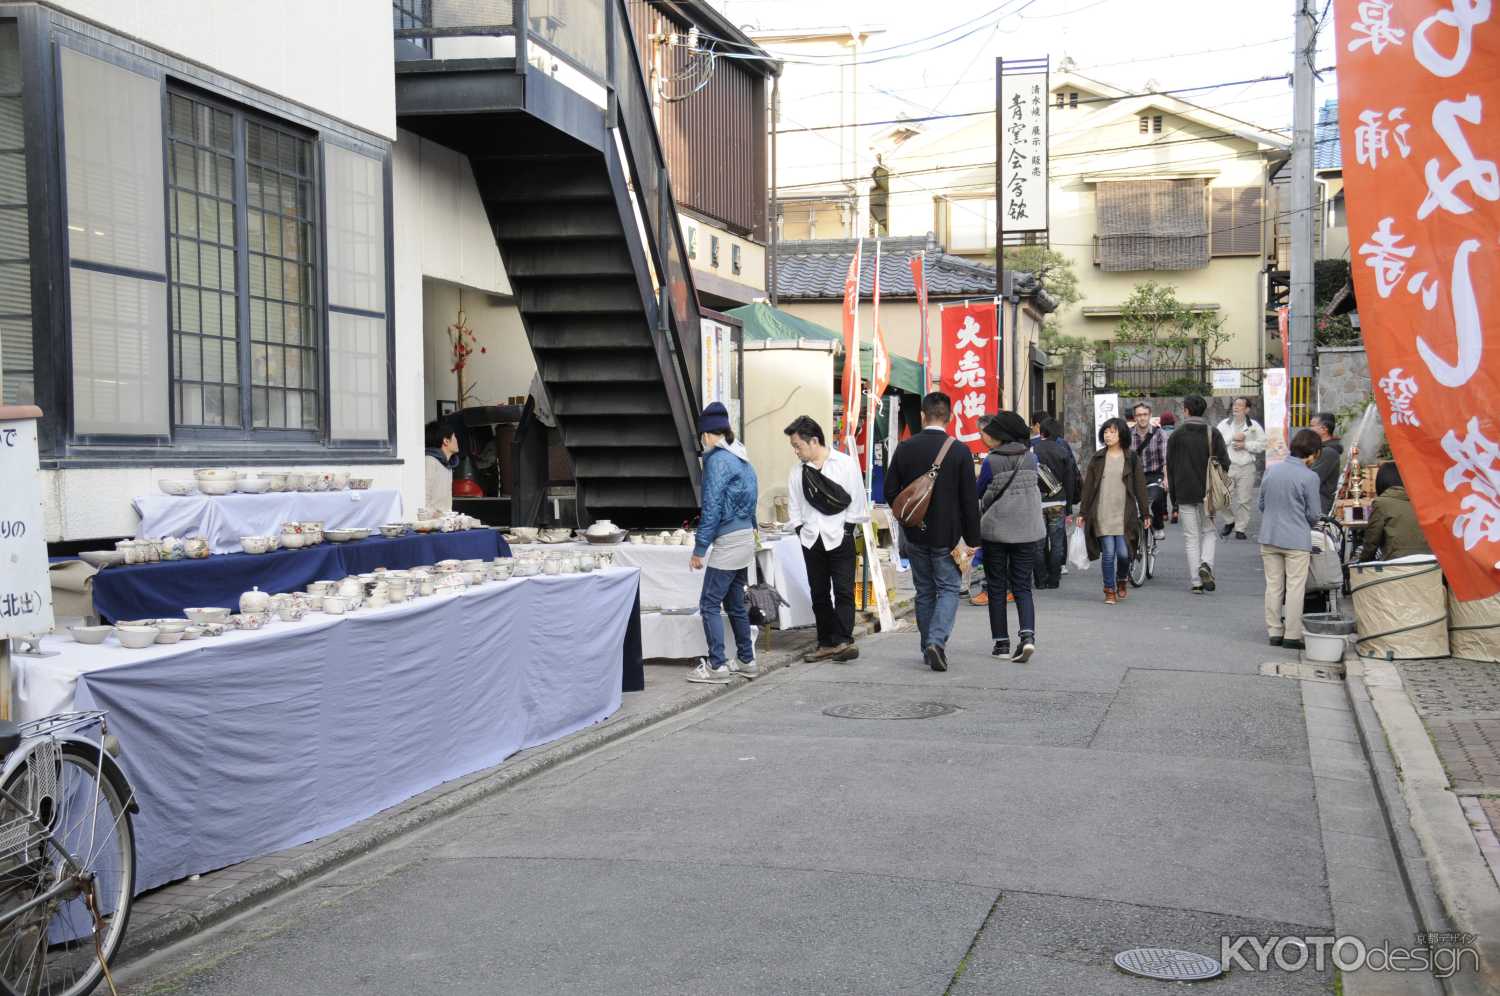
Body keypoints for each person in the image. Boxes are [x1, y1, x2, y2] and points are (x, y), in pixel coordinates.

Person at [884, 392, 982, 672]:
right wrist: (973, 540)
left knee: (925, 591)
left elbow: (890, 491)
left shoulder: (905, 448)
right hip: (947, 536)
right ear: (949, 417)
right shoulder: (960, 451)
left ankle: (928, 646)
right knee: (949, 588)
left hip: (915, 534)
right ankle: (936, 642)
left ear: (922, 416)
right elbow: (969, 501)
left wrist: (909, 517)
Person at [784, 415, 868, 662]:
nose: (796, 451)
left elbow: (857, 500)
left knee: (843, 591)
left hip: (840, 535)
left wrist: (847, 530)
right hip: (811, 538)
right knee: (819, 593)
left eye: (798, 446)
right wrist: (800, 530)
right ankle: (825, 642)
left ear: (814, 441)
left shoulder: (845, 464)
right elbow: (794, 507)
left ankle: (843, 641)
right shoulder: (797, 472)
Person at [687, 403, 759, 683]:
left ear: (706, 434)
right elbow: (752, 499)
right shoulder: (741, 455)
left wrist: (699, 548)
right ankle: (746, 659)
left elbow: (712, 507)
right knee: (735, 604)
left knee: (708, 603)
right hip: (745, 537)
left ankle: (716, 665)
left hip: (728, 541)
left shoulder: (717, 460)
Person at [975, 412, 1045, 661]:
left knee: (996, 586)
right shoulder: (1031, 458)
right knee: (1022, 586)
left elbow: (979, 491)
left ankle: (1001, 644)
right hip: (1026, 530)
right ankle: (1027, 637)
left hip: (996, 531)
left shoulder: (991, 461)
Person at [1257, 428, 1325, 650]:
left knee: (1273, 586)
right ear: (1313, 453)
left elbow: (1261, 504)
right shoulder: (1310, 477)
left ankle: (1274, 631)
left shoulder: (1271, 471)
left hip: (1269, 536)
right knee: (1295, 587)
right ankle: (1292, 635)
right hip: (1296, 539)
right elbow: (1314, 514)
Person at [1078, 417, 1150, 605]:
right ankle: (1109, 590)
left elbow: (1140, 487)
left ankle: (1121, 579)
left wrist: (1145, 512)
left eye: (1112, 432)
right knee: (1108, 554)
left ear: (1122, 434)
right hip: (1102, 512)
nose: (1107, 435)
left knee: (1124, 554)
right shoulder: (1098, 458)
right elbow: (1088, 487)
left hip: (1124, 514)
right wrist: (1083, 513)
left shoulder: (1131, 458)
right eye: (1105, 431)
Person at [1166, 394, 1231, 594]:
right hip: (1208, 493)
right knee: (1209, 531)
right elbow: (1225, 463)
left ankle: (1196, 582)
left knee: (1190, 537)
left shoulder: (1176, 436)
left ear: (1186, 410)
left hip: (1184, 492)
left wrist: (1174, 499)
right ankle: (1206, 564)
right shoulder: (1213, 433)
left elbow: (1170, 467)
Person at [1032, 417, 1079, 590]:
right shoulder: (1063, 451)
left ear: (1042, 431)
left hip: (1037, 502)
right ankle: (1054, 579)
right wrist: (1069, 506)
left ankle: (1040, 579)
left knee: (1038, 543)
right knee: (1057, 541)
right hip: (1058, 501)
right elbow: (1070, 480)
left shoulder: (1033, 450)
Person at [1357, 462, 1432, 563]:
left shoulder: (1381, 503)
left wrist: (1363, 562)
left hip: (1396, 565)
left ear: (1381, 481)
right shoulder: (1423, 501)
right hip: (1429, 563)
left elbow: (1371, 541)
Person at [1216, 397, 1268, 540]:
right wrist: (1233, 437)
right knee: (1221, 497)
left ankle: (1240, 529)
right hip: (1227, 467)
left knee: (1244, 500)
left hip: (1246, 467)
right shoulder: (1224, 424)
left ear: (1247, 409)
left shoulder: (1254, 426)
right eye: (1234, 405)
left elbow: (1263, 444)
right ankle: (1230, 521)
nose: (1236, 407)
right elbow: (1216, 443)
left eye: (1240, 405)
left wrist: (1246, 445)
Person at [1129, 402, 1169, 539]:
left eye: (1145, 414)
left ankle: (1158, 525)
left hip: (1154, 474)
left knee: (1157, 497)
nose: (1142, 418)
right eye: (1139, 415)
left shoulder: (1160, 434)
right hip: (1134, 475)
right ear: (1135, 417)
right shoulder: (1128, 434)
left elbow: (1165, 459)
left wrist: (1166, 478)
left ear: (1150, 415)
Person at [1310, 413, 1344, 514]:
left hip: (1320, 505)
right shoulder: (1321, 449)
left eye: (1312, 426)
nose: (1309, 429)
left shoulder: (1327, 452)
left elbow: (1311, 479)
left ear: (1324, 429)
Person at [424, 420, 459, 514]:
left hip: (445, 519)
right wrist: (434, 515)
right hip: (432, 520)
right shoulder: (429, 461)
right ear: (446, 441)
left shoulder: (448, 465)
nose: (456, 440)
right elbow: (424, 497)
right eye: (454, 436)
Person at [1159, 411, 1180, 523]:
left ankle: (1164, 513)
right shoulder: (1178, 433)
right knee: (1175, 489)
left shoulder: (1158, 433)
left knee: (1163, 489)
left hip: (1162, 464)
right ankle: (1175, 511)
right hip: (1176, 464)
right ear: (1173, 421)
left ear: (1161, 422)